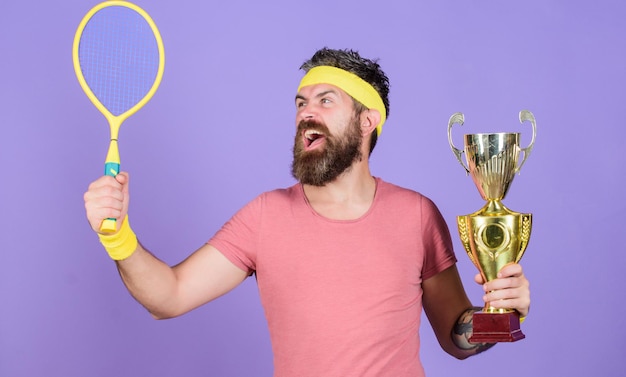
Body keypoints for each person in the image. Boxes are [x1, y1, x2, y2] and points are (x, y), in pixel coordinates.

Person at [84, 47, 530, 376]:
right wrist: (118, 236)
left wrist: (501, 319)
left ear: (366, 121)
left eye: (325, 100)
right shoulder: (265, 217)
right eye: (301, 103)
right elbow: (169, 297)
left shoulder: (416, 214)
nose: (306, 113)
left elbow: (457, 337)